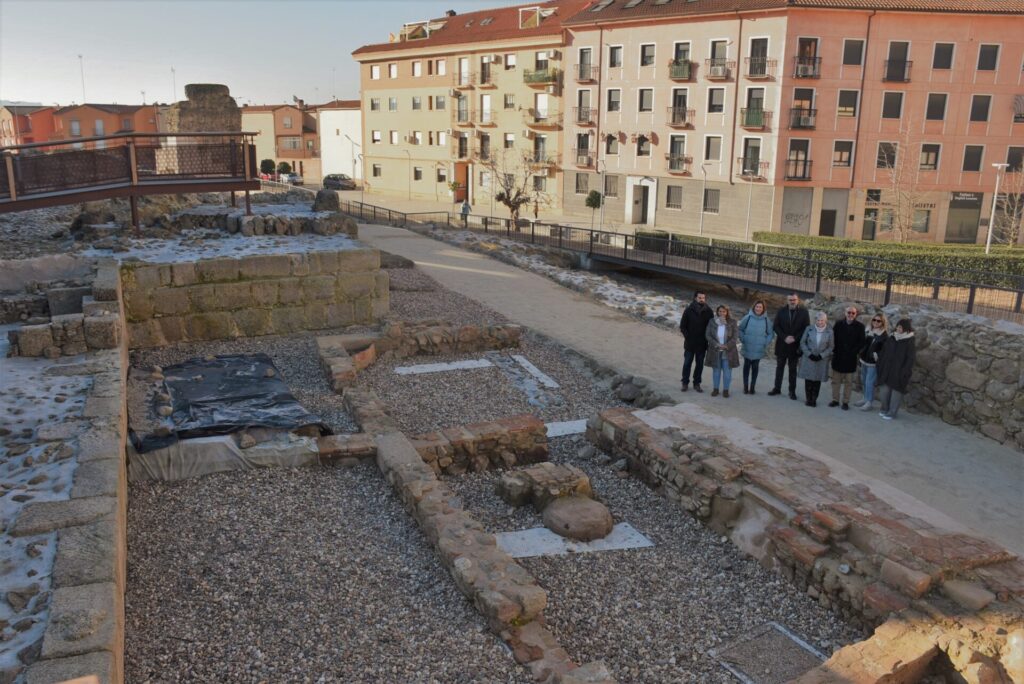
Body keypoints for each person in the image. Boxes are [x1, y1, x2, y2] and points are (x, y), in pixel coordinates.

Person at [769, 293, 810, 400]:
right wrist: (784, 337)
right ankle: (777, 388)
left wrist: (795, 338)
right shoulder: (781, 311)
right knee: (779, 368)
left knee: (792, 370)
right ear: (787, 300)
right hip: (782, 344)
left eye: (794, 300)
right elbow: (776, 326)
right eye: (790, 300)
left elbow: (806, 328)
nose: (792, 302)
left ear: (798, 300)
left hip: (795, 346)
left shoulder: (804, 312)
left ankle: (792, 391)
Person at [877, 318, 916, 420]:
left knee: (896, 394)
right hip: (887, 369)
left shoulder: (909, 341)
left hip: (899, 371)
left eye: (901, 327)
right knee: (884, 391)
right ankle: (884, 409)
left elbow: (910, 358)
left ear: (906, 329)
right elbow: (884, 352)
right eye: (898, 327)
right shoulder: (892, 338)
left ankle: (892, 413)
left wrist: (904, 372)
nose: (899, 329)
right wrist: (880, 364)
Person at [829, 305, 866, 410]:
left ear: (856, 314)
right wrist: (835, 350)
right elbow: (833, 338)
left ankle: (845, 402)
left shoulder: (860, 327)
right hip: (838, 357)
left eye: (853, 313)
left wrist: (853, 352)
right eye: (848, 312)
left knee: (848, 383)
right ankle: (835, 400)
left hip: (850, 358)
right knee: (836, 381)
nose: (850, 315)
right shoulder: (838, 324)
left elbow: (861, 342)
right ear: (845, 313)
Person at [679, 291, 714, 392]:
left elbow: (712, 327)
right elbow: (682, 326)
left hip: (702, 344)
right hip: (690, 343)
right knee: (687, 364)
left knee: (699, 365)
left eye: (703, 298)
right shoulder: (688, 310)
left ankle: (697, 383)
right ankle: (685, 383)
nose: (702, 299)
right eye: (700, 297)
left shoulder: (709, 311)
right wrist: (687, 337)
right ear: (695, 298)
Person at [797, 312, 834, 407]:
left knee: (817, 380)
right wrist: (809, 354)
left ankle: (814, 399)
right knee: (808, 379)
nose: (820, 322)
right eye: (818, 320)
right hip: (809, 358)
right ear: (815, 320)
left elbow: (831, 347)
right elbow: (802, 342)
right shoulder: (809, 329)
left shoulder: (830, 332)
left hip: (821, 359)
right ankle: (808, 399)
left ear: (825, 321)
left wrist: (821, 355)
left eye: (822, 320)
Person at [855, 312, 889, 411]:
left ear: (883, 323)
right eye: (874, 320)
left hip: (873, 363)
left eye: (879, 321)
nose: (876, 322)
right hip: (864, 359)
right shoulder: (869, 330)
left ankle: (869, 402)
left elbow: (884, 349)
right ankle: (865, 398)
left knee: (870, 382)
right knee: (864, 380)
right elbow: (864, 344)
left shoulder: (884, 335)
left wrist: (876, 354)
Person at [704, 305, 740, 397]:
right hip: (715, 350)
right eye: (720, 311)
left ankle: (726, 390)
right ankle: (715, 389)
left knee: (727, 372)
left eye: (724, 311)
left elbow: (735, 337)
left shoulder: (732, 322)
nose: (722, 313)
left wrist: (726, 345)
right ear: (717, 312)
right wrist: (716, 344)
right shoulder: (712, 321)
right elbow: (708, 335)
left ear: (727, 312)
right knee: (716, 371)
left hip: (728, 351)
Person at [738, 300, 773, 394]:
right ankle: (745, 387)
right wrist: (743, 339)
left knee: (755, 368)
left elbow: (770, 333)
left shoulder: (766, 320)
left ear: (763, 309)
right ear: (754, 307)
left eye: (760, 307)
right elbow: (740, 329)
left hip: (759, 348)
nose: (758, 309)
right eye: (757, 307)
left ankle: (752, 387)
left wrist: (766, 342)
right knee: (746, 367)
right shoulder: (748, 317)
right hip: (748, 346)